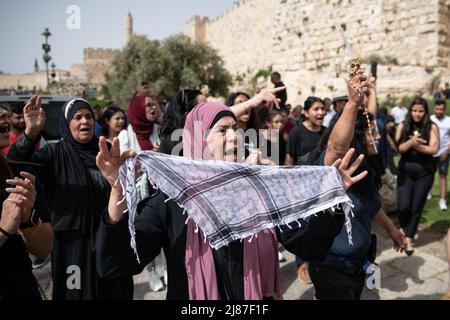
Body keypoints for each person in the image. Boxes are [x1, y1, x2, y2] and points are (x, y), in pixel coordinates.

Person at [95, 94, 367, 300]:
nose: (235, 137)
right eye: (223, 130)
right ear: (199, 138)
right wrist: (118, 190)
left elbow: (309, 247)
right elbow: (118, 263)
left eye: (236, 129)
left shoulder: (260, 189)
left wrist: (331, 202)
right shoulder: (172, 199)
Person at [7, 96, 133, 300]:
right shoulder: (53, 154)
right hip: (72, 248)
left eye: (88, 116)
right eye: (77, 117)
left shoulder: (107, 150)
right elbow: (16, 163)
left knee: (113, 291)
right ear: (67, 124)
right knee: (74, 292)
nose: (84, 122)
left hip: (108, 240)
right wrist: (31, 133)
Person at [308, 69, 405, 300]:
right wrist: (352, 102)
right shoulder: (337, 168)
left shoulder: (366, 169)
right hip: (331, 268)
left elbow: (370, 204)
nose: (379, 137)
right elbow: (335, 148)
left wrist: (392, 229)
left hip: (360, 262)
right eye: (374, 133)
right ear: (360, 137)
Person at [0, 103, 53, 300]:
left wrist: (27, 220)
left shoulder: (19, 175)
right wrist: (4, 230)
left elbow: (44, 248)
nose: (4, 114)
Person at [396, 97, 439, 255]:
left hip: (425, 173)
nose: (417, 114)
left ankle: (409, 238)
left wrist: (417, 145)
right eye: (414, 111)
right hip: (405, 172)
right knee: (403, 206)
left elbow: (434, 149)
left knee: (416, 207)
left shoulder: (431, 126)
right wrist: (411, 142)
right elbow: (399, 148)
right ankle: (403, 226)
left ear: (426, 112)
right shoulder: (403, 125)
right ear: (410, 111)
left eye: (421, 111)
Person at [160, 89, 206, 156]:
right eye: (204, 108)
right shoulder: (173, 144)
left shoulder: (212, 137)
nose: (209, 110)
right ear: (188, 114)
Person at [285, 96, 327, 166]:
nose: (321, 112)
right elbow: (289, 158)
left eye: (322, 109)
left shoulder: (326, 132)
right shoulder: (296, 132)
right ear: (306, 113)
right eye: (316, 109)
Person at [430, 100, 450, 210]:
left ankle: (442, 200)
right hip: (431, 153)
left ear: (445, 109)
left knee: (442, 175)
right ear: (434, 108)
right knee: (428, 174)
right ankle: (428, 192)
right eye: (437, 109)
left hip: (444, 153)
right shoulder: (430, 119)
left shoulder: (449, 121)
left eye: (441, 109)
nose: (439, 111)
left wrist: (446, 152)